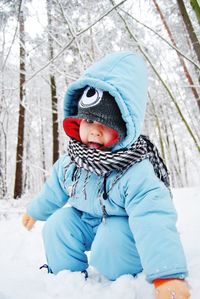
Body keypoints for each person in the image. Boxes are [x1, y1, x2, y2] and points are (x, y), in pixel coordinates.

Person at [22, 51, 190, 299]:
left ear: (124, 130)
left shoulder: (134, 169)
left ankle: (123, 276)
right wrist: (35, 211)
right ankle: (67, 279)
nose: (95, 132)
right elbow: (53, 189)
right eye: (89, 121)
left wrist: (167, 274)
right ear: (78, 122)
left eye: (106, 125)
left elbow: (152, 217)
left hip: (123, 228)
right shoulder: (72, 162)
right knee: (58, 225)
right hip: (87, 221)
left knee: (109, 243)